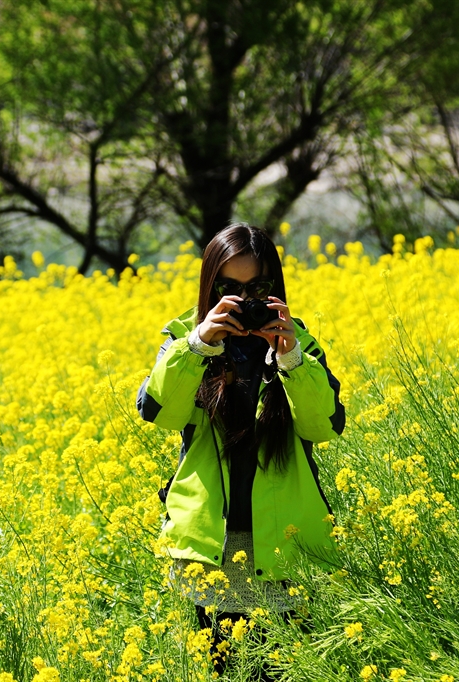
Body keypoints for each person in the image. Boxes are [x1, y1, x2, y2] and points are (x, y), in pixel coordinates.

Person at [137, 223, 345, 676]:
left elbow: (325, 425)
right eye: (228, 288)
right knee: (227, 671)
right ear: (208, 287)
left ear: (277, 289)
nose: (243, 300)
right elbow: (157, 411)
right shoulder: (184, 338)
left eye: (257, 288)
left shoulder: (299, 342)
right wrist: (198, 346)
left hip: (285, 545)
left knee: (287, 671)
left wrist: (290, 358)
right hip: (214, 549)